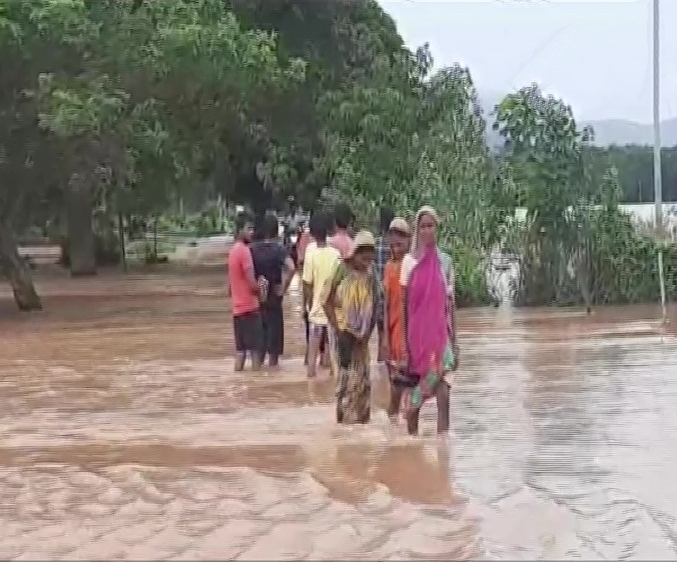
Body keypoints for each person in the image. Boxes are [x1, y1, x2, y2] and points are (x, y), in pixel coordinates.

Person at [399, 206, 459, 435]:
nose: (426, 231)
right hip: (418, 338)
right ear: (417, 230)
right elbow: (404, 307)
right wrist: (404, 347)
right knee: (420, 394)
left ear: (437, 228)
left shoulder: (445, 262)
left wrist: (456, 342)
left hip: (441, 338)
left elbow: (450, 305)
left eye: (430, 226)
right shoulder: (408, 263)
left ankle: (443, 446)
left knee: (444, 392)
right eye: (422, 226)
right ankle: (411, 439)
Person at [322, 230, 380, 424]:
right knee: (345, 384)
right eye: (362, 250)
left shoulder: (372, 275)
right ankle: (344, 431)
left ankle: (362, 426)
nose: (367, 256)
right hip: (343, 336)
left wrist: (368, 335)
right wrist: (337, 329)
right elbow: (326, 300)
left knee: (363, 384)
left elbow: (377, 305)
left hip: (362, 339)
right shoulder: (342, 270)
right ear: (355, 252)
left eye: (370, 251)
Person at [250, 213, 296, 367]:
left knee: (259, 343)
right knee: (274, 349)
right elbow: (291, 268)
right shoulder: (279, 249)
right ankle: (272, 371)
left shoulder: (252, 249)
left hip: (257, 298)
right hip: (275, 300)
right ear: (277, 231)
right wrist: (283, 288)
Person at [380, 217, 412, 421]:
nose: (396, 239)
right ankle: (394, 433)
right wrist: (384, 337)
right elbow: (386, 304)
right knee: (395, 392)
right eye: (393, 234)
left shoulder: (412, 265)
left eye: (401, 235)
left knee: (409, 389)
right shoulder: (389, 267)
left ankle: (406, 435)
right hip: (393, 335)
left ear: (409, 240)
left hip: (410, 335)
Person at [302, 211, 340, 378]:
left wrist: (308, 305)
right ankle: (333, 380)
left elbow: (307, 283)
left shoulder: (310, 252)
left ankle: (311, 379)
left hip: (316, 309)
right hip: (332, 310)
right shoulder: (336, 254)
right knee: (333, 352)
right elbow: (339, 284)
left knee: (312, 351)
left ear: (312, 231)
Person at [228, 212, 264, 371]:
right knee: (256, 352)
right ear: (240, 230)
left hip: (237, 310)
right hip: (250, 309)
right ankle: (257, 387)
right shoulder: (244, 251)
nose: (252, 232)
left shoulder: (233, 251)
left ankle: (239, 382)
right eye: (248, 228)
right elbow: (251, 284)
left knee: (241, 352)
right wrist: (261, 286)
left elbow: (229, 287)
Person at [375, 206, 394, 362]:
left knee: (381, 336)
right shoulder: (397, 246)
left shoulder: (376, 245)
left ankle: (381, 370)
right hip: (394, 299)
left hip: (378, 299)